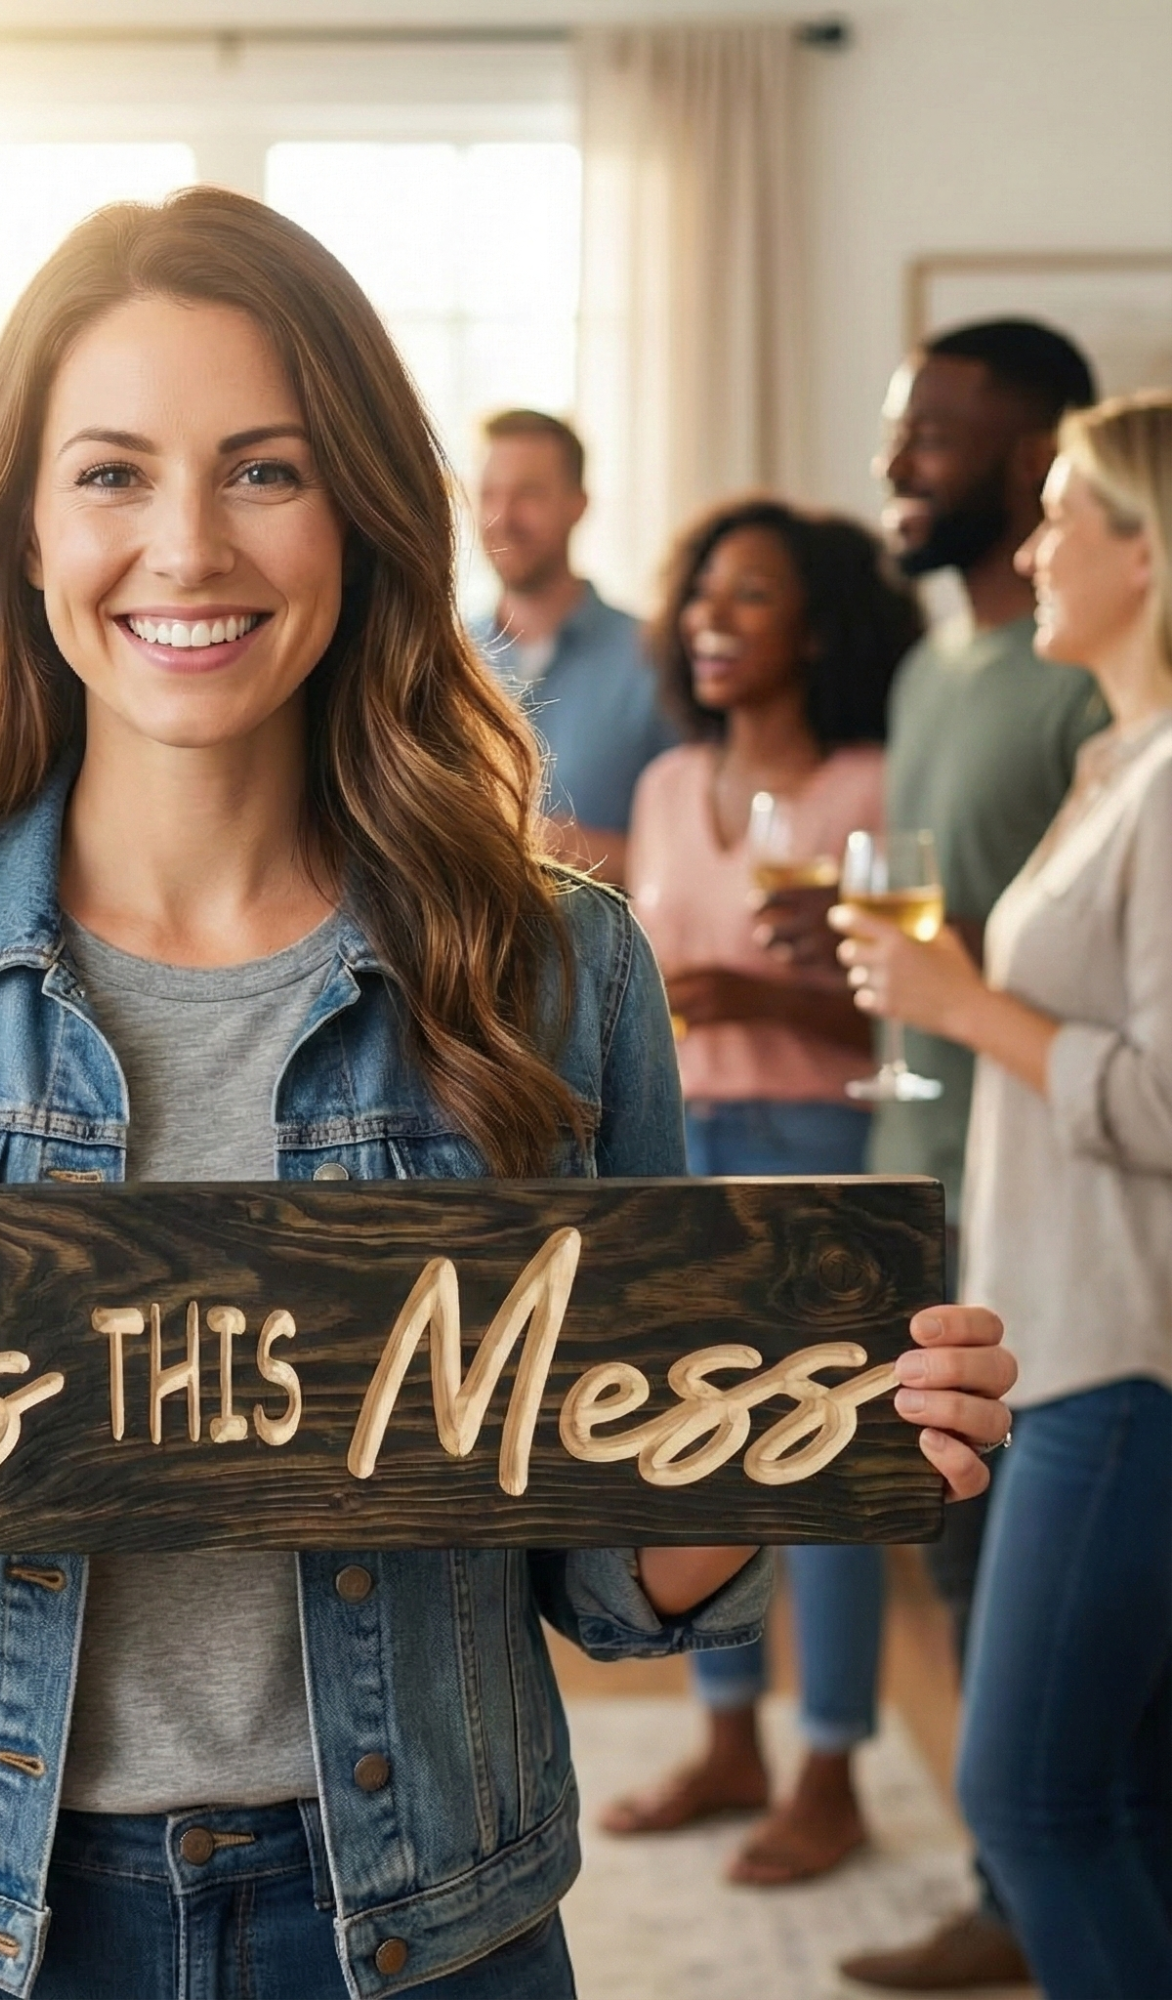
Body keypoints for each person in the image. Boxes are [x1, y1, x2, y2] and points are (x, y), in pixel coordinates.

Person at [0, 191, 1013, 1999]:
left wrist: (819, 1423)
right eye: (116, 474)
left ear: (364, 517)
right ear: (26, 534)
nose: (188, 547)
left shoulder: (559, 968)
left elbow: (612, 1573)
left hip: (424, 1924)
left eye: (266, 469)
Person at [761, 319, 1108, 1994]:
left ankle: (1040, 1874)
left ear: (1042, 456)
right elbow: (954, 929)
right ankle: (1007, 1879)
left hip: (1057, 1202)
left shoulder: (1094, 676)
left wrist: (946, 970)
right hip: (919, 1168)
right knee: (955, 1548)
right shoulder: (925, 669)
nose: (896, 467)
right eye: (898, 434)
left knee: (1055, 1590)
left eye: (938, 440)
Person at [834, 391, 1172, 2000]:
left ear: (1151, 552)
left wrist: (959, 1002)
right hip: (1077, 1328)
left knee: (1023, 1794)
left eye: (1064, 518)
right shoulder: (1122, 766)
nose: (1030, 550)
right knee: (1127, 1797)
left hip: (1123, 1354)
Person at [606, 500, 921, 1884]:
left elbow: (914, 1025)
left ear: (820, 627)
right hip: (684, 1138)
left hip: (819, 1133)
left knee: (826, 1471)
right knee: (696, 1449)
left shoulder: (874, 783)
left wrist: (774, 992)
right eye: (702, 596)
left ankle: (834, 1768)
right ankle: (729, 1742)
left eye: (753, 597)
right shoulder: (671, 787)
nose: (713, 622)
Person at [467, 409, 677, 883]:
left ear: (578, 505)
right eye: (488, 494)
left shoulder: (655, 657)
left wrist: (546, 844)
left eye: (529, 494)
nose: (503, 517)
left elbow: (695, 863)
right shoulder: (439, 658)